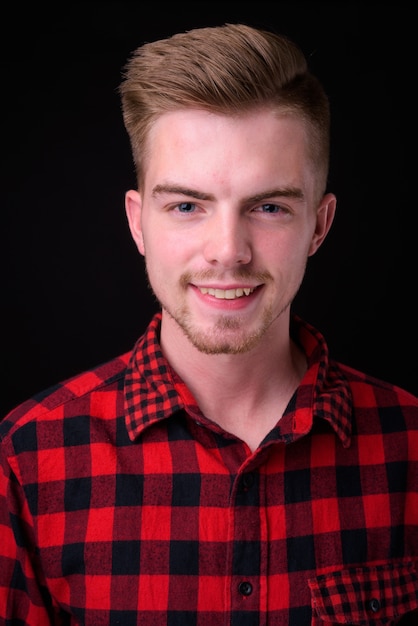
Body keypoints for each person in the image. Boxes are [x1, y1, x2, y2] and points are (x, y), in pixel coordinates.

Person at [1, 22, 417, 626]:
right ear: (139, 223)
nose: (228, 251)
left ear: (320, 226)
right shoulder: (27, 460)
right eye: (187, 206)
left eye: (269, 207)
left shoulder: (408, 445)